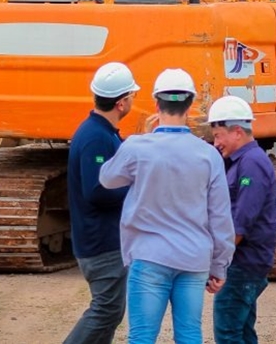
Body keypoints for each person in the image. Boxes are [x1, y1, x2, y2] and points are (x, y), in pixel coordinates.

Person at [99, 68, 235, 344]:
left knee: (142, 337)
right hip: (194, 258)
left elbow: (108, 178)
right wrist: (219, 267)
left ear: (156, 103)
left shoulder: (138, 148)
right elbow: (220, 217)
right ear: (191, 105)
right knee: (189, 335)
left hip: (149, 257)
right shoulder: (208, 155)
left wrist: (139, 136)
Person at [64, 62, 141, 344]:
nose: (134, 98)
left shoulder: (103, 132)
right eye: (132, 95)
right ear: (121, 103)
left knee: (111, 312)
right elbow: (96, 191)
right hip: (101, 243)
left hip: (104, 239)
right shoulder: (96, 137)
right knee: (106, 310)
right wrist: (135, 190)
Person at [207, 96, 276, 344]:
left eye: (218, 136)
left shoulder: (251, 164)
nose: (216, 143)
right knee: (243, 331)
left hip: (244, 264)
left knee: (227, 331)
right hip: (244, 262)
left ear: (237, 132)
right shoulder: (240, 162)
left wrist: (218, 262)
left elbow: (242, 221)